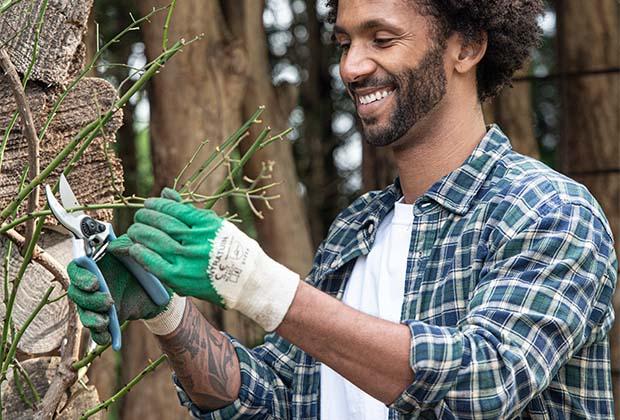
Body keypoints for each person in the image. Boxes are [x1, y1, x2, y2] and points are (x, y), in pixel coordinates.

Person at [67, 0, 618, 418]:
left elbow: (484, 383)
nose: (352, 67)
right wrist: (167, 313)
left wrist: (257, 281)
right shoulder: (359, 228)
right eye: (344, 42)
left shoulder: (548, 211)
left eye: (381, 38)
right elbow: (274, 398)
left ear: (467, 48)